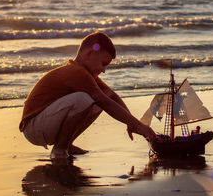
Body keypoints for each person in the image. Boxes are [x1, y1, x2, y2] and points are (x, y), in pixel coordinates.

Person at [19, 31, 156, 160]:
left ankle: (67, 144)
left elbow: (111, 96)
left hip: (45, 124)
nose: (103, 70)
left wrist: (130, 123)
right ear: (89, 54)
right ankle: (60, 149)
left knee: (102, 96)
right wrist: (139, 126)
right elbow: (106, 103)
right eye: (103, 64)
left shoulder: (87, 75)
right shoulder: (77, 72)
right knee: (85, 99)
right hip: (34, 127)